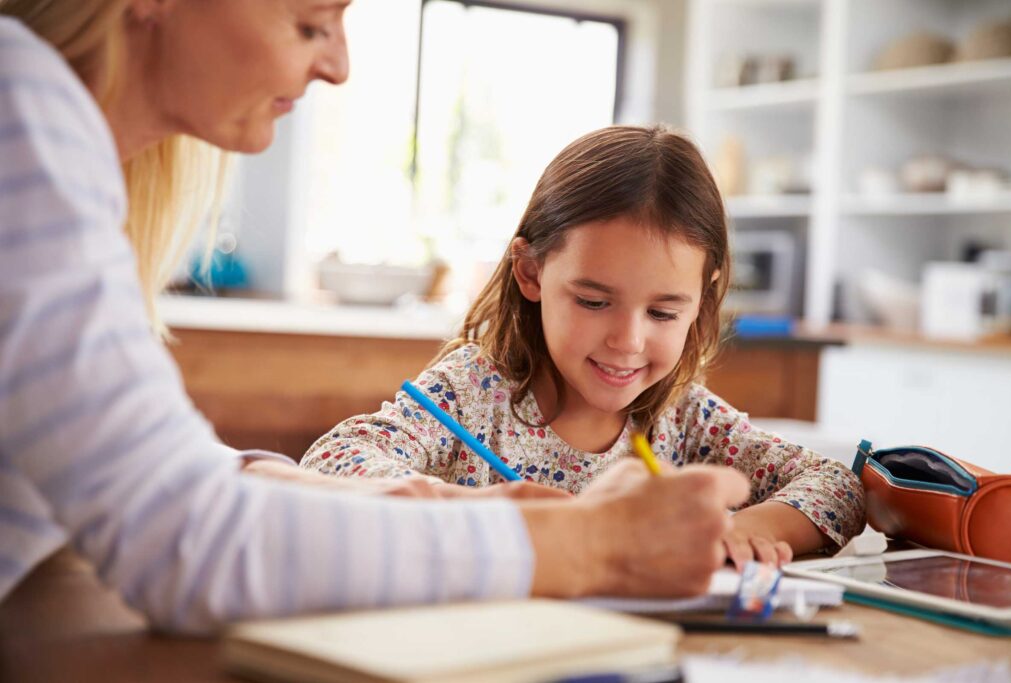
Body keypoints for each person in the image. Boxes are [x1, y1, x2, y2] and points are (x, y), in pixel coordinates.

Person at [0, 0, 750, 634]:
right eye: (311, 22)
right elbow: (182, 541)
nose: (338, 66)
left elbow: (138, 479)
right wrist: (591, 544)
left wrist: (386, 498)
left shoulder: (51, 132)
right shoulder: (20, 107)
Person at [300, 124, 867, 566]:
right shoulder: (471, 395)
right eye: (594, 302)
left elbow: (836, 485)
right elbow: (331, 463)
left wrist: (744, 530)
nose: (628, 340)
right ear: (530, 273)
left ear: (704, 296)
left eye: (664, 312)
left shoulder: (686, 419)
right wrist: (490, 512)